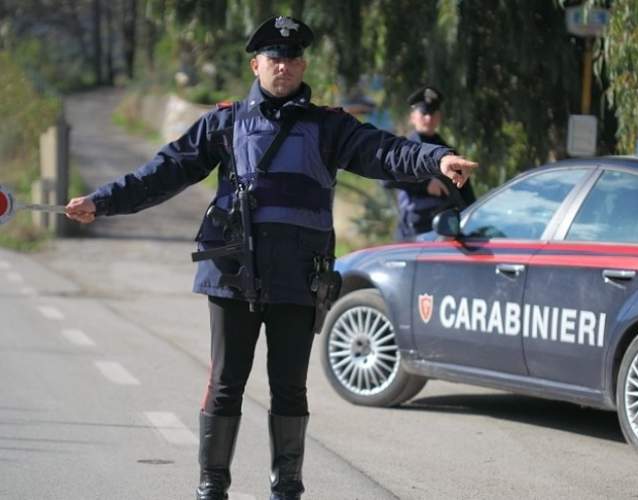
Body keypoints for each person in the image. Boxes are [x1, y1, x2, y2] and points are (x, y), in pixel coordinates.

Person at [65, 16, 476, 500]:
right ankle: (211, 485)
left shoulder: (329, 128)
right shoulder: (225, 122)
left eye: (293, 58)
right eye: (275, 58)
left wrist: (436, 159)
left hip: (298, 279)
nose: (285, 66)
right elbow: (164, 172)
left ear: (302, 65)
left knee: (290, 389)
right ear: (256, 63)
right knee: (225, 384)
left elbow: (385, 151)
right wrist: (104, 201)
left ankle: (287, 488)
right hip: (234, 276)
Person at [383, 85, 476, 240]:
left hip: (447, 229)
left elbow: (466, 191)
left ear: (439, 117)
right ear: (412, 117)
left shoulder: (448, 151)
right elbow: (386, 179)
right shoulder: (405, 147)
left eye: (433, 113)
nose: (429, 118)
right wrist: (425, 185)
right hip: (414, 230)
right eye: (424, 113)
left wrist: (474, 217)